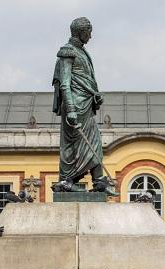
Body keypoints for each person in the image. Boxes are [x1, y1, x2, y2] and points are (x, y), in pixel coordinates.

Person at [51, 17, 117, 196]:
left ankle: (99, 182)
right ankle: (66, 180)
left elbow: (85, 80)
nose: (91, 35)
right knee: (73, 147)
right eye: (89, 31)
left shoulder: (82, 52)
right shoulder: (68, 52)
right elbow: (65, 83)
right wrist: (71, 109)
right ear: (81, 32)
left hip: (85, 105)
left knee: (94, 143)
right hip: (75, 108)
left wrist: (94, 96)